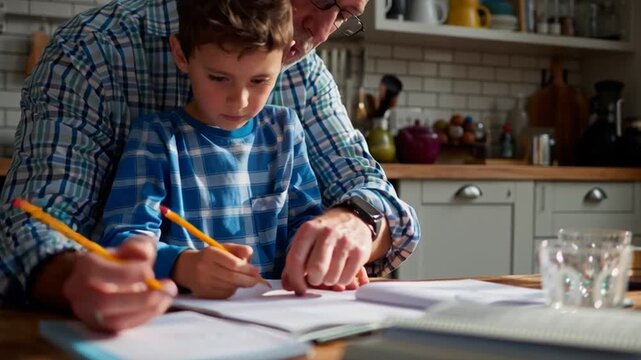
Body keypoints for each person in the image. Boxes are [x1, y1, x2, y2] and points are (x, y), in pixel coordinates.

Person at [0, 0, 420, 332]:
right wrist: (162, 266)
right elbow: (32, 229)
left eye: (345, 14)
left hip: (278, 329)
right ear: (183, 56)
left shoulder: (299, 79)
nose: (323, 31)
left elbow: (373, 200)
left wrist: (349, 232)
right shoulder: (96, 49)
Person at [100, 0, 323, 299]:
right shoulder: (156, 138)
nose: (240, 101)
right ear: (181, 55)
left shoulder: (285, 131)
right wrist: (182, 266)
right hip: (183, 319)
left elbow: (305, 222)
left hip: (274, 313)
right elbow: (121, 239)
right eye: (219, 78)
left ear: (284, 57)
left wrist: (319, 258)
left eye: (260, 80)